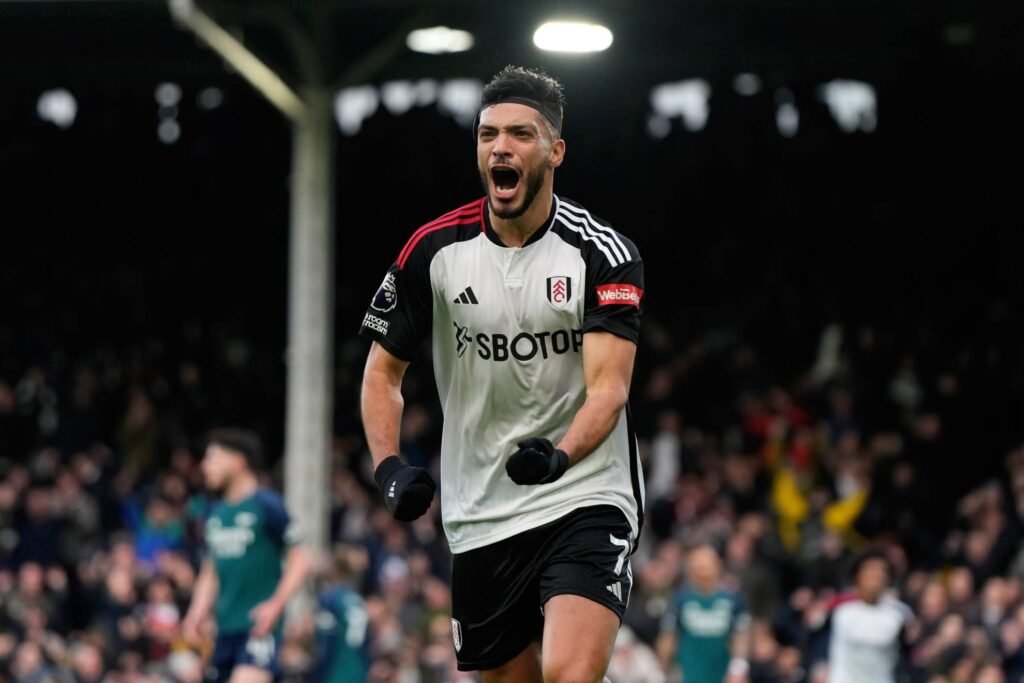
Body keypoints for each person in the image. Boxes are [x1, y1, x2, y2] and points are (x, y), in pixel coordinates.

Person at [359, 65, 646, 683]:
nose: (501, 149)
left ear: (555, 151)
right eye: (488, 135)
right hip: (481, 508)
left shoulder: (602, 254)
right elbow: (382, 374)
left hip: (583, 490)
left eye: (520, 134)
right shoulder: (433, 251)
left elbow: (610, 389)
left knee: (569, 674)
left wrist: (560, 457)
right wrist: (388, 468)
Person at [181, 428, 311, 683]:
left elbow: (301, 559)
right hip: (224, 629)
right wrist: (196, 610)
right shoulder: (215, 514)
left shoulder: (267, 505)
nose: (206, 467)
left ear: (238, 461)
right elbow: (211, 568)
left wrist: (275, 605)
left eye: (213, 458)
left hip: (257, 628)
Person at [656, 545, 751, 683]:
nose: (703, 573)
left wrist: (738, 667)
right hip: (688, 671)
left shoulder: (733, 599)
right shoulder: (680, 599)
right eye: (698, 568)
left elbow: (740, 635)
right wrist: (662, 668)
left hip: (722, 670)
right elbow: (668, 635)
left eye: (706, 567)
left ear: (717, 567)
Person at [825, 549, 913, 683]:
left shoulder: (899, 615)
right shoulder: (841, 611)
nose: (876, 576)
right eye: (870, 570)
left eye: (881, 571)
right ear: (857, 576)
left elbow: (905, 656)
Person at [312, 545, 371, 683]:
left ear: (335, 569)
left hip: (334, 673)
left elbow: (325, 643)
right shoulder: (358, 601)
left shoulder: (329, 599)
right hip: (357, 672)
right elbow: (366, 643)